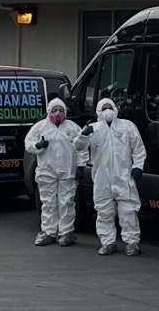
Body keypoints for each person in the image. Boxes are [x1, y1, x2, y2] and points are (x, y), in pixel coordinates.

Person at [81, 97, 147, 256]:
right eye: (104, 109)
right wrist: (83, 135)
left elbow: (138, 148)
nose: (107, 111)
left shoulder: (127, 126)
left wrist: (138, 166)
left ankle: (132, 242)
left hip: (123, 175)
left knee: (128, 210)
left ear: (115, 109)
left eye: (109, 107)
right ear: (98, 111)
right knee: (104, 211)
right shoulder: (93, 129)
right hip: (102, 177)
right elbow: (78, 147)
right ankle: (107, 242)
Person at [24, 97, 86, 247]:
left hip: (67, 171)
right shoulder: (40, 127)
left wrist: (81, 166)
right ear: (49, 111)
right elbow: (28, 144)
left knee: (66, 202)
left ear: (65, 112)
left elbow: (81, 147)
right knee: (48, 203)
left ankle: (66, 232)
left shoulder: (73, 128)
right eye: (55, 110)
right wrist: (38, 145)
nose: (58, 113)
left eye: (61, 110)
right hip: (47, 171)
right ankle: (48, 232)